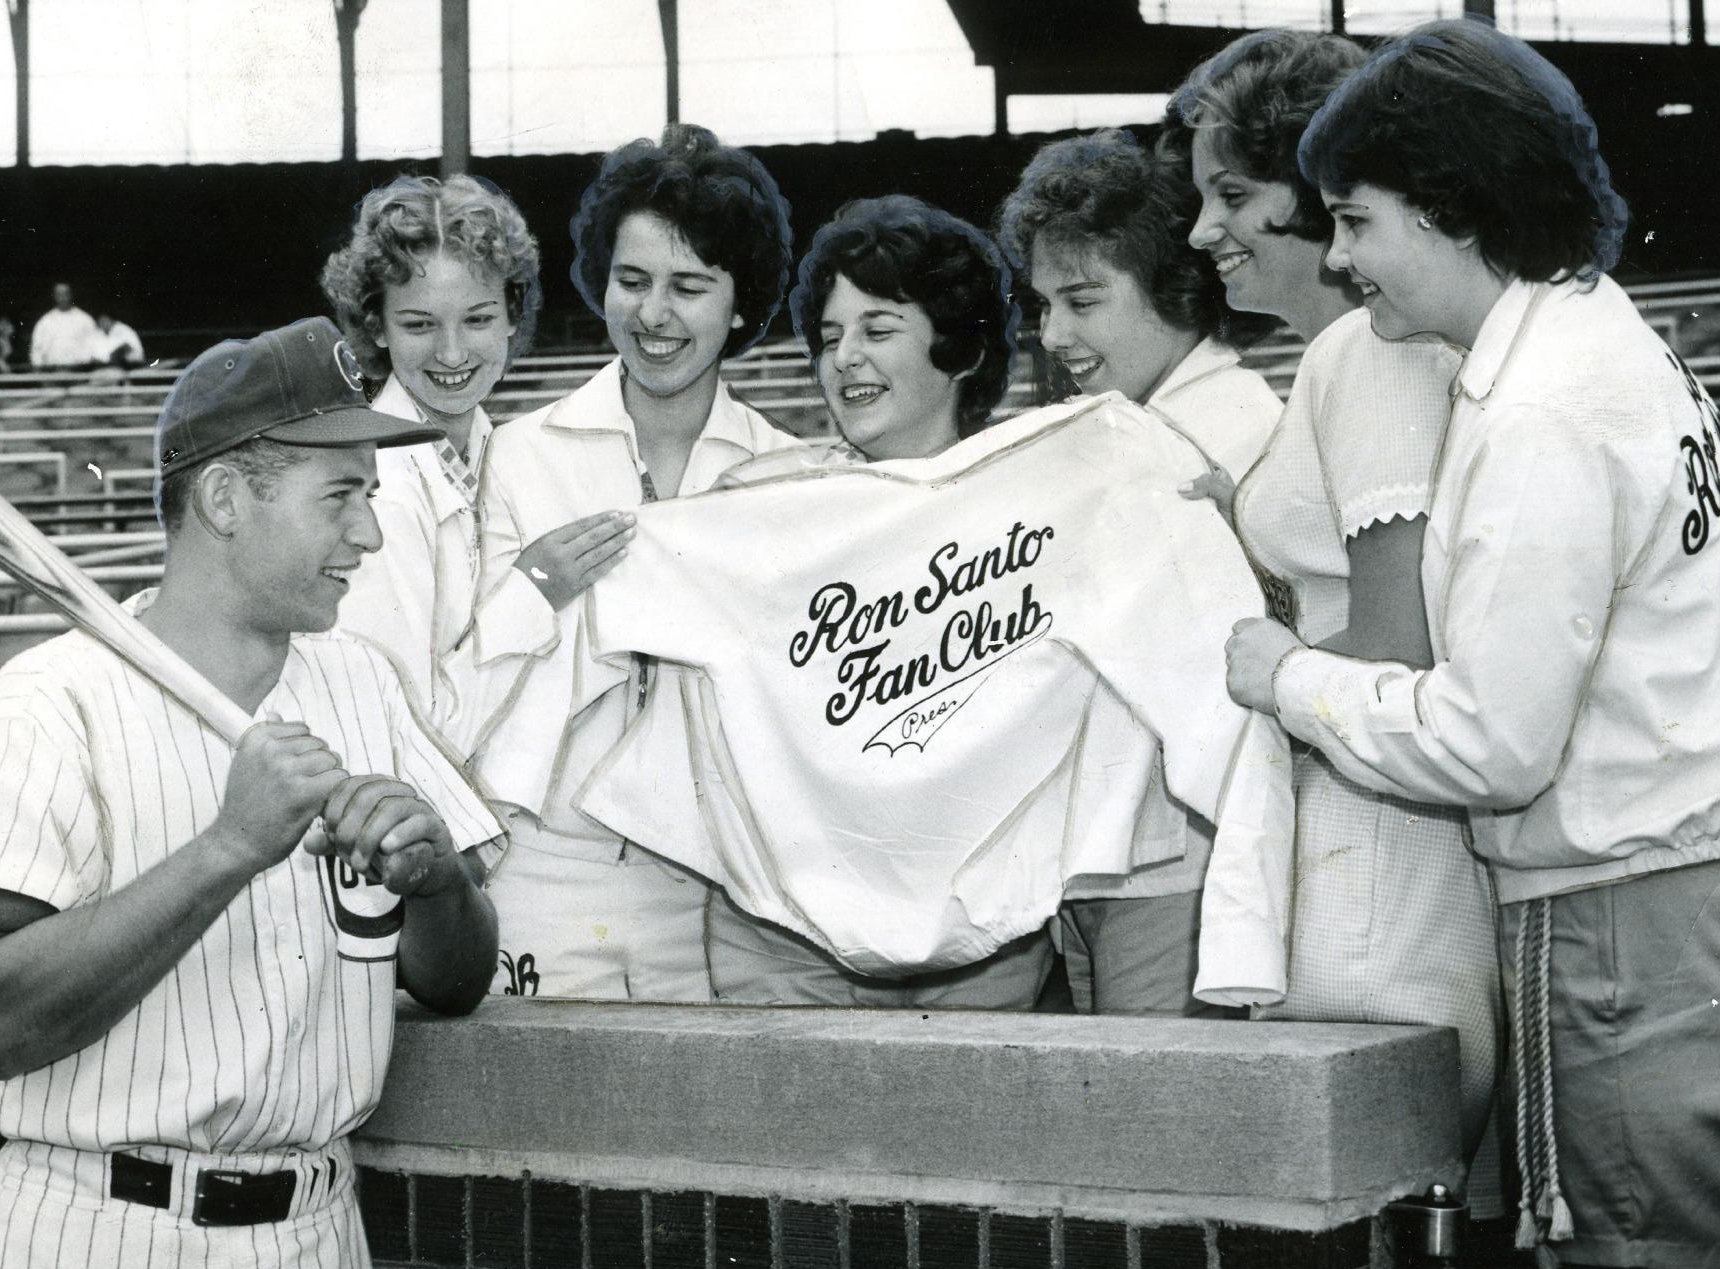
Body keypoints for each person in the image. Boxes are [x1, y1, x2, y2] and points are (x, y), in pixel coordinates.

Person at [0, 316, 502, 1269]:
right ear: (226, 495)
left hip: (312, 1261)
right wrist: (228, 846)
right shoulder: (49, 705)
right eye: (341, 495)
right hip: (88, 1266)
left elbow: (454, 981)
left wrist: (438, 881)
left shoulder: (360, 688)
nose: (369, 533)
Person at [1229, 17, 1720, 1269]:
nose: (1337, 258)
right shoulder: (1597, 325)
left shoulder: (1538, 410)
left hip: (1635, 927)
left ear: (1449, 208)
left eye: (1354, 220)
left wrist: (1286, 676)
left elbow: (1489, 747)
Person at [1168, 28, 1505, 1206]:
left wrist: (1267, 655)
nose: (1204, 230)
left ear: (1317, 202)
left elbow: (1397, 643)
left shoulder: (1367, 356)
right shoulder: (1350, 354)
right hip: (1376, 807)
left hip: (1379, 835)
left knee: (1366, 1195)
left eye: (1232, 195)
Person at [465, 123, 799, 1002]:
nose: (654, 315)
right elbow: (453, 678)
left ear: (740, 303)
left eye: (690, 286)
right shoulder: (519, 455)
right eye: (633, 280)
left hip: (725, 898)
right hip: (545, 875)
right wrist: (533, 591)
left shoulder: (787, 472)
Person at [703, 194, 1057, 1009]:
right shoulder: (759, 503)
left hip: (981, 932)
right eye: (830, 338)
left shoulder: (1035, 511)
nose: (845, 359)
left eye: (878, 330)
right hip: (790, 938)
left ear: (960, 348)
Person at [998, 128, 1284, 1016]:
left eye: (1083, 301)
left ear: (1171, 285)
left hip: (1181, 861)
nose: (1054, 336)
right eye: (1045, 305)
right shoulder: (1125, 420)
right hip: (1108, 863)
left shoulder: (1235, 423)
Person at [320, 173, 548, 739]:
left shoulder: (505, 452)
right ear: (375, 325)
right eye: (419, 324)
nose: (451, 352)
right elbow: (400, 727)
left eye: (478, 319)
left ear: (513, 314)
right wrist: (538, 589)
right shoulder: (378, 493)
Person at [30, 281, 101, 369]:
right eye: (59, 294)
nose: (62, 297)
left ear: (71, 295)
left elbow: (95, 347)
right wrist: (38, 368)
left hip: (79, 372)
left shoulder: (85, 319)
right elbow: (37, 349)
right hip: (52, 372)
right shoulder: (45, 321)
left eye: (65, 294)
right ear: (54, 296)